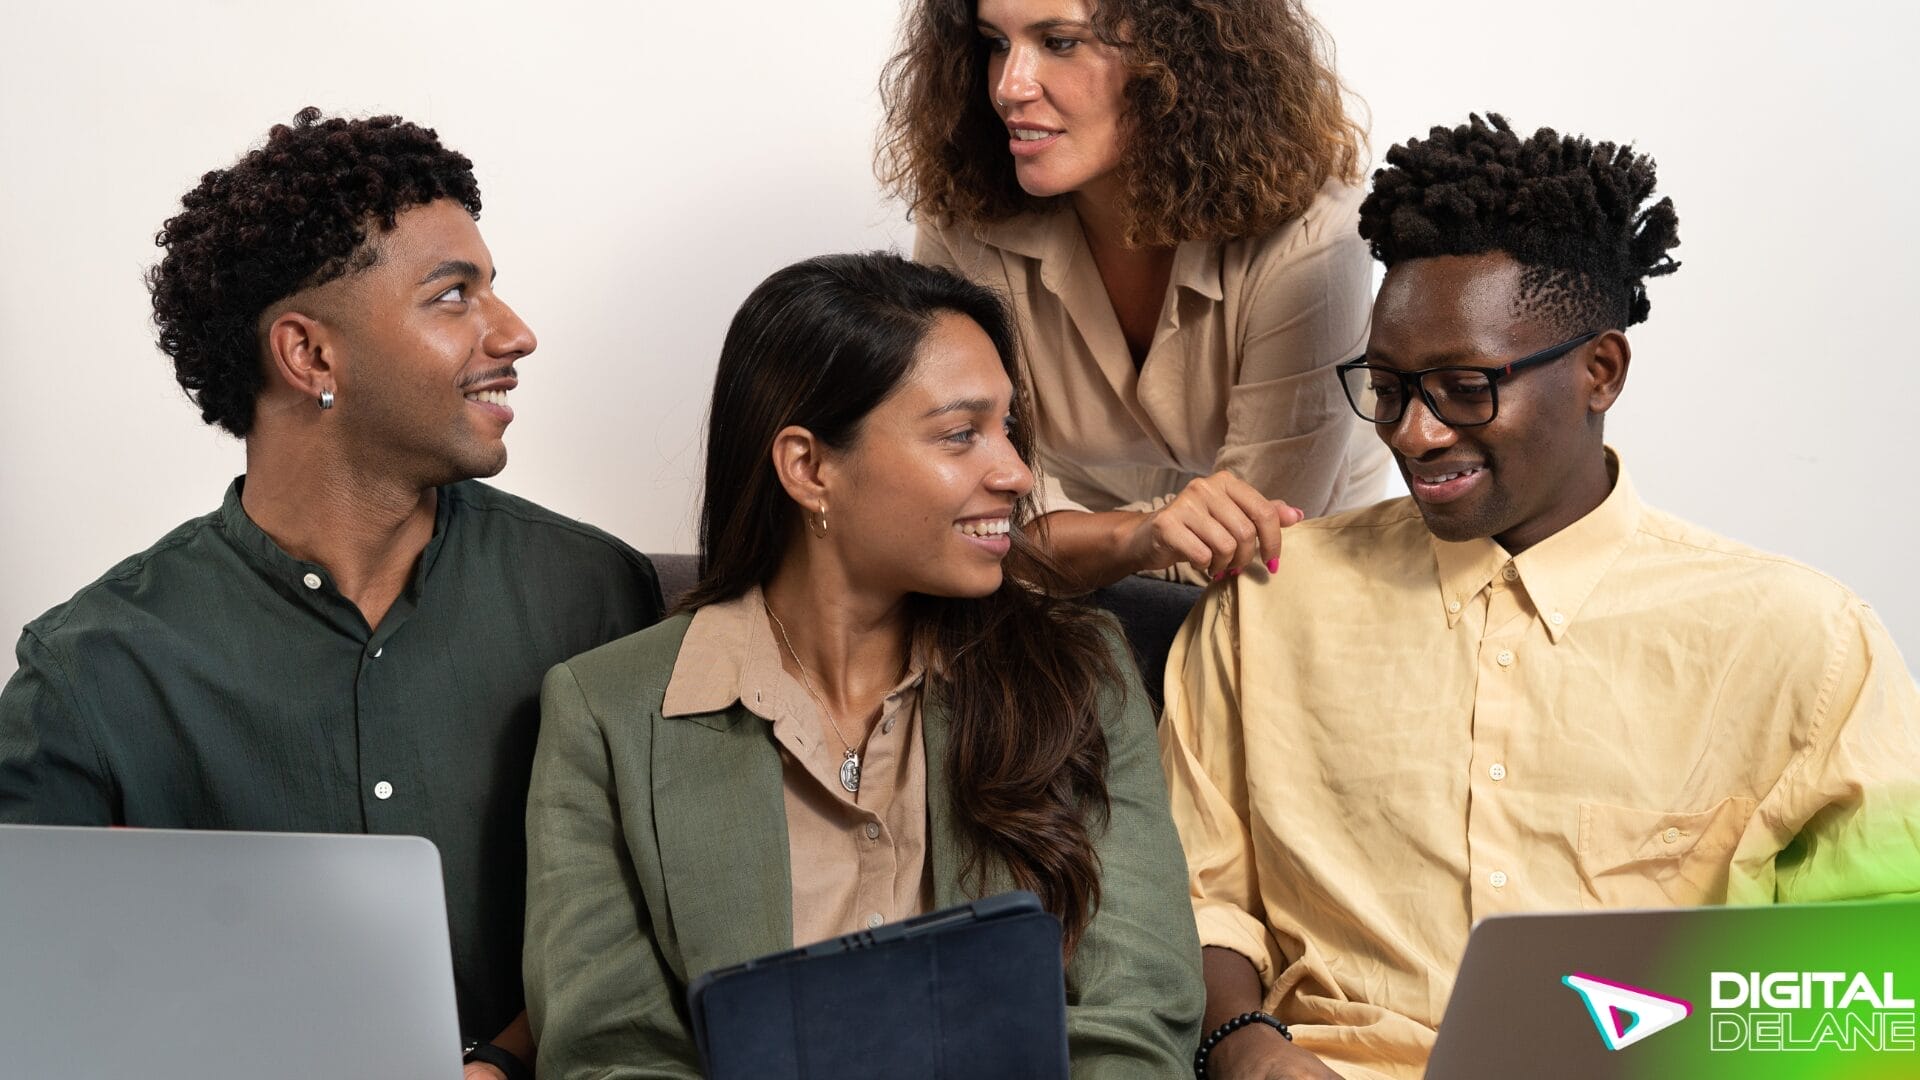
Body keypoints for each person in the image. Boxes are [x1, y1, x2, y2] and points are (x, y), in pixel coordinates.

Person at [1156, 114, 1920, 1080]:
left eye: (1466, 387)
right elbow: (1196, 890)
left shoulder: (1799, 640)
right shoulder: (1269, 603)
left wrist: (1662, 1037)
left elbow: (1883, 985)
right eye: (1388, 389)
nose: (1415, 434)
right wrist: (1247, 1049)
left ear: (1601, 372)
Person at [0, 108, 664, 1080]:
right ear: (310, 356)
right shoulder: (93, 673)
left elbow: (660, 904)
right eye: (453, 296)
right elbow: (35, 1008)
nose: (515, 332)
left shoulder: (593, 594)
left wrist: (498, 1062)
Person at [524, 252, 1203, 1077]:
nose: (1016, 473)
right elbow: (611, 1052)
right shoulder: (606, 712)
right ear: (809, 468)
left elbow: (1136, 1015)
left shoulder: (1080, 673)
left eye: (1008, 428)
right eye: (961, 435)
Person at [878, 0, 1388, 590]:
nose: (1009, 87)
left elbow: (1259, 532)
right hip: (1056, 551)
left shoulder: (1313, 240)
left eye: (1060, 43)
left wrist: (1050, 538)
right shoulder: (965, 212)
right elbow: (954, 495)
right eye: (995, 43)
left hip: (1293, 564)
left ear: (1176, 59)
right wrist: (1125, 539)